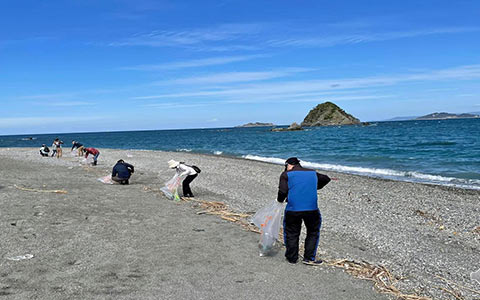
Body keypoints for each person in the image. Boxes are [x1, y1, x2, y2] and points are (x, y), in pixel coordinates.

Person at [277, 157, 331, 265]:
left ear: (289, 165)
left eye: (286, 166)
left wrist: (279, 201)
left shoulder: (286, 174)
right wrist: (314, 186)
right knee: (313, 232)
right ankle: (309, 258)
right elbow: (326, 178)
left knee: (292, 232)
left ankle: (292, 258)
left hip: (293, 209)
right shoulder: (312, 173)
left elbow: (282, 191)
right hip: (312, 209)